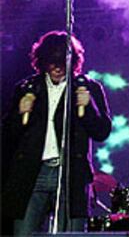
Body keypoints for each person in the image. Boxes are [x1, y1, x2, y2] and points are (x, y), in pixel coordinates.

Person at [1, 30, 112, 236]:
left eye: (61, 62)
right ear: (42, 61)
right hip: (34, 174)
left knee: (69, 234)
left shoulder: (87, 87)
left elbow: (102, 132)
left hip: (70, 174)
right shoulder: (28, 88)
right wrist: (20, 112)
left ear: (72, 61)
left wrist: (89, 108)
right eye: (51, 62)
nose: (57, 68)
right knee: (23, 232)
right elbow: (8, 135)